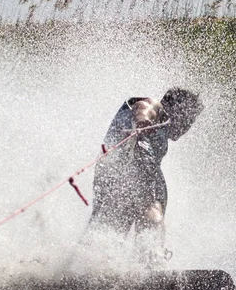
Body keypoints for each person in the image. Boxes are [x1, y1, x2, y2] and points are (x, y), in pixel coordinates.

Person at [87, 87, 203, 264]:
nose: (188, 126)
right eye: (189, 118)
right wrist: (142, 120)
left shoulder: (162, 128)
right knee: (152, 213)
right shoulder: (155, 106)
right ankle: (149, 264)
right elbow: (143, 107)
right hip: (129, 166)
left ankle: (97, 266)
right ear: (179, 109)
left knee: (112, 228)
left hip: (114, 174)